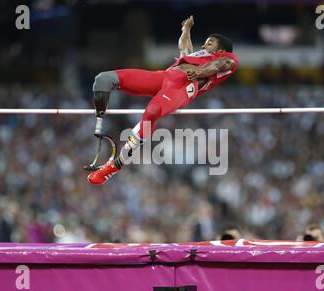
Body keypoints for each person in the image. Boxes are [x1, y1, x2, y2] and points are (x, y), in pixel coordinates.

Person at [87, 15, 238, 185]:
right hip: (163, 76)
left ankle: (114, 167)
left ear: (221, 50)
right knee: (104, 79)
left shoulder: (228, 59)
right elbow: (185, 49)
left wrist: (201, 72)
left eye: (209, 43)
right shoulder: (199, 55)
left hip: (181, 87)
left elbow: (218, 65)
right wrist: (186, 30)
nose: (204, 45)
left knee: (151, 112)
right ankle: (99, 118)